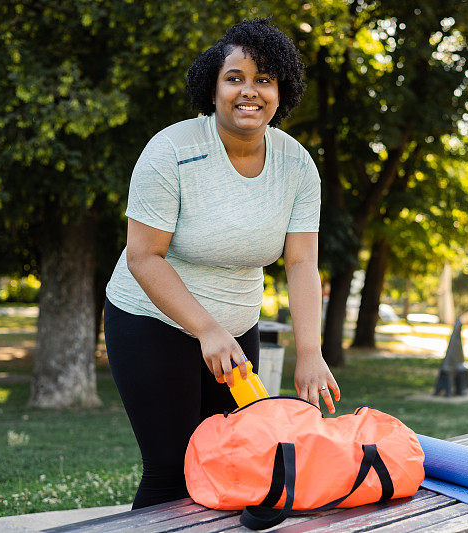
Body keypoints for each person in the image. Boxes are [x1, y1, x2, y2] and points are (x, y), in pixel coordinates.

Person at [103, 17, 341, 510]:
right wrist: (206, 329)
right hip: (151, 321)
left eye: (264, 79)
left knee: (231, 463)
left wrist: (310, 352)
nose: (248, 92)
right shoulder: (170, 150)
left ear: (282, 92)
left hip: (236, 329)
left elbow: (300, 264)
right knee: (171, 471)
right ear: (212, 88)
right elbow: (144, 256)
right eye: (234, 78)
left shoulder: (297, 166)